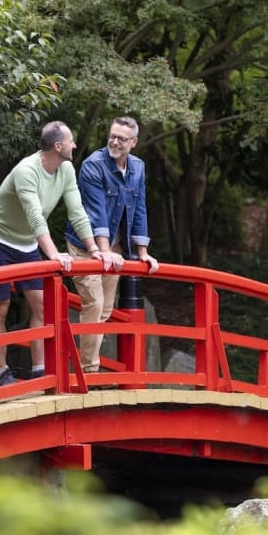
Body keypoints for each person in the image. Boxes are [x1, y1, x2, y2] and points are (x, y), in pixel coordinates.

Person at [0, 120, 121, 386]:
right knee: (0, 306)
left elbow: (77, 211)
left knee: (41, 304)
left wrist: (93, 250)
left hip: (27, 244)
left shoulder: (65, 168)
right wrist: (55, 254)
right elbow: (35, 216)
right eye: (71, 140)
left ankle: (39, 370)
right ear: (58, 145)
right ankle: (1, 372)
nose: (75, 145)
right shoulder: (27, 171)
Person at [65, 116, 159, 373]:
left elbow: (139, 209)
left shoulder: (138, 168)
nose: (115, 142)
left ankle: (84, 364)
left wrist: (143, 253)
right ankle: (89, 371)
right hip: (85, 246)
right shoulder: (93, 166)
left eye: (122, 138)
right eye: (112, 136)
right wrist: (103, 252)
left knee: (105, 309)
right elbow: (97, 214)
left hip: (115, 248)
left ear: (134, 142)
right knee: (94, 304)